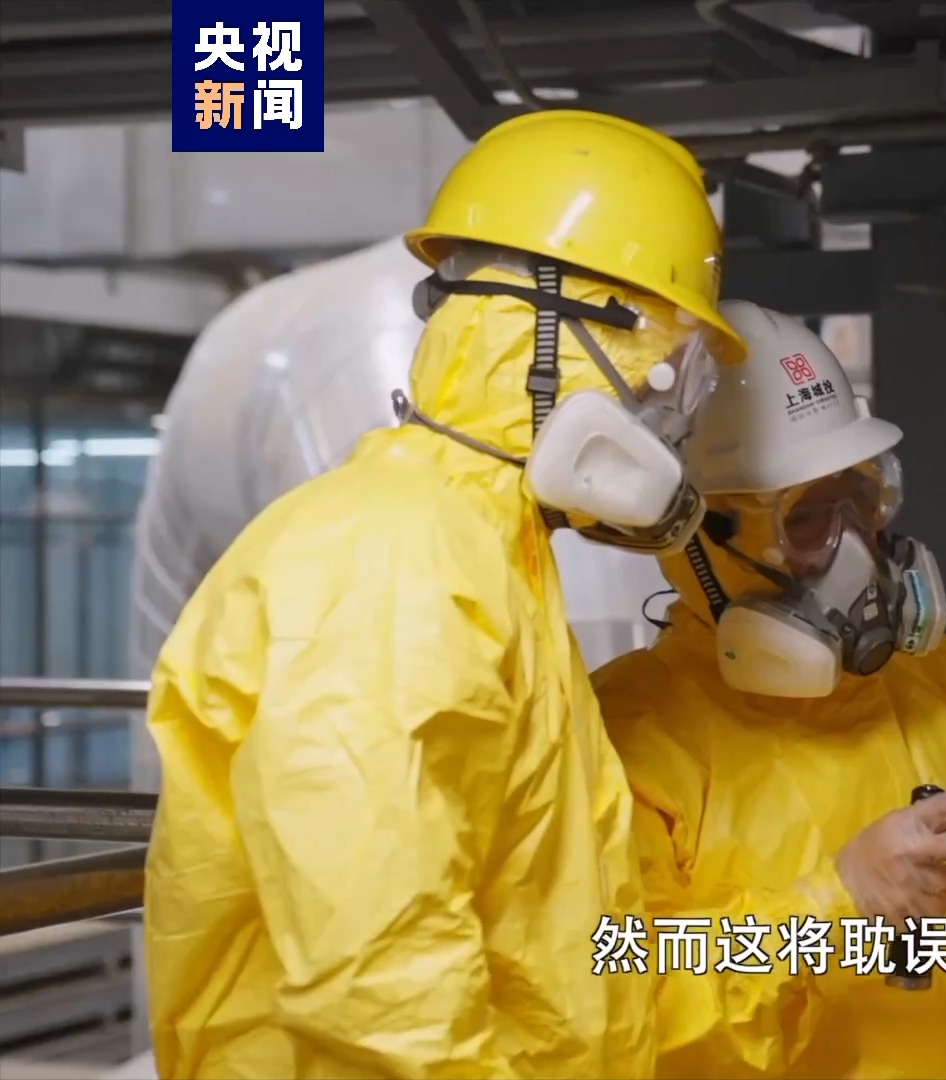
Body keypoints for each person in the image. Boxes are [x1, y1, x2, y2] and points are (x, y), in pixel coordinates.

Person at [142, 110, 741, 1078]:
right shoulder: (392, 562)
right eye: (661, 377)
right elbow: (379, 982)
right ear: (549, 335)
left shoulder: (490, 553)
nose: (666, 427)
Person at [591, 299, 946, 1079]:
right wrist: (835, 900)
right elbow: (625, 1015)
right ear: (698, 541)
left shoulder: (945, 682)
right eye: (807, 518)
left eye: (861, 497)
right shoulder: (628, 738)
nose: (854, 544)